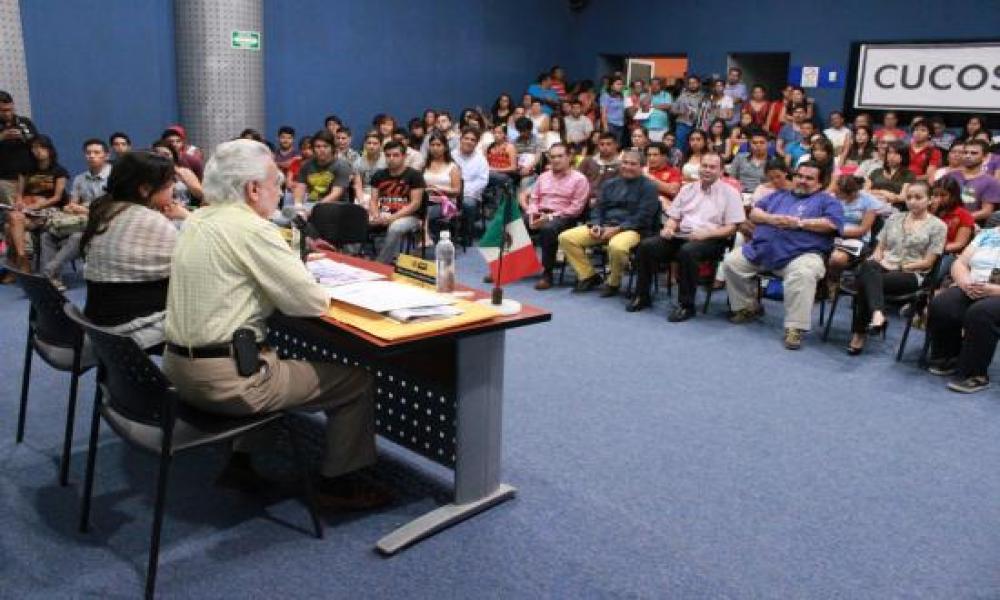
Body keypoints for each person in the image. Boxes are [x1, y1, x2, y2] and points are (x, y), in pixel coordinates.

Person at [161, 139, 389, 506]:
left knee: (265, 350)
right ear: (253, 189)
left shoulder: (197, 220)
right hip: (226, 383)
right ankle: (340, 483)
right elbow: (310, 301)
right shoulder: (253, 229)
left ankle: (242, 462)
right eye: (276, 184)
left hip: (176, 373)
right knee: (357, 381)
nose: (280, 191)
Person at [722, 161, 844, 350]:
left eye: (809, 178)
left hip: (801, 255)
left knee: (804, 274)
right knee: (732, 262)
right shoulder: (778, 196)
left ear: (820, 183)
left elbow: (832, 224)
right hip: (762, 251)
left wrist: (800, 223)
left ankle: (795, 328)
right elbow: (754, 213)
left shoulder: (827, 201)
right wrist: (771, 219)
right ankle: (748, 307)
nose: (802, 181)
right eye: (799, 176)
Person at [80, 151, 187, 348]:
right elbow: (192, 261)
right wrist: (188, 217)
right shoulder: (149, 220)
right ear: (145, 189)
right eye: (170, 183)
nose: (174, 188)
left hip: (98, 322)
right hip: (131, 328)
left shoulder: (107, 210)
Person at [630, 152, 743, 320]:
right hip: (682, 234)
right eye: (704, 166)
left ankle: (686, 305)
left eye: (712, 167)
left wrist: (707, 234)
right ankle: (642, 296)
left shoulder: (730, 193)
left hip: (711, 238)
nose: (707, 170)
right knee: (647, 246)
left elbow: (733, 227)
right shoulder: (687, 189)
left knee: (688, 252)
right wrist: (668, 227)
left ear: (721, 171)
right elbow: (675, 216)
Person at [846, 181, 945, 354]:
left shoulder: (938, 226)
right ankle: (877, 314)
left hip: (911, 272)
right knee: (869, 267)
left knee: (866, 282)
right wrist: (877, 257)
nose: (912, 201)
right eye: (909, 197)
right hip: (884, 266)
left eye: (918, 197)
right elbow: (880, 247)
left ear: (929, 200)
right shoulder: (894, 217)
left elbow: (928, 262)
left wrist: (898, 266)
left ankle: (859, 334)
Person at [558, 149, 658, 296]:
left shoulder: (649, 187)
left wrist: (618, 229)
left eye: (633, 164)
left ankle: (613, 282)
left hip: (633, 229)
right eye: (625, 163)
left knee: (617, 246)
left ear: (642, 167)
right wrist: (596, 224)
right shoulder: (610, 184)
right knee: (566, 237)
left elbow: (643, 217)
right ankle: (588, 276)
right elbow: (598, 208)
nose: (627, 167)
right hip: (605, 226)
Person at [926, 224, 1000, 392]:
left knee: (981, 313)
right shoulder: (988, 234)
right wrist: (965, 283)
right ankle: (950, 356)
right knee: (942, 304)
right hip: (973, 285)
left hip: (997, 293)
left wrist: (994, 290)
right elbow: (959, 263)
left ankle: (976, 374)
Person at [39, 139, 112, 289]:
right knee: (47, 235)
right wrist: (70, 208)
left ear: (106, 155)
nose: (91, 156)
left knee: (76, 237)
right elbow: (72, 204)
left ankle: (47, 272)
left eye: (96, 153)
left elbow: (114, 208)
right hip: (79, 222)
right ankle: (54, 279)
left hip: (104, 222)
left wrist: (85, 210)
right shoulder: (80, 178)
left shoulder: (114, 178)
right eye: (88, 153)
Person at [525, 143, 589, 290]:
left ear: (569, 157)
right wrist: (532, 215)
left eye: (560, 156)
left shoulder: (579, 179)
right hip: (540, 213)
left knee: (548, 229)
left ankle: (547, 274)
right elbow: (534, 199)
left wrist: (550, 217)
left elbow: (576, 209)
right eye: (552, 157)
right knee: (514, 223)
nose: (556, 160)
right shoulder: (543, 177)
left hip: (564, 217)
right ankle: (507, 266)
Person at [3, 135, 68, 280]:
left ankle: (17, 266)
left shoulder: (59, 171)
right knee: (14, 217)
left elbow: (57, 197)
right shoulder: (26, 170)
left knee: (9, 228)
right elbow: (19, 194)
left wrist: (38, 205)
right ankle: (22, 257)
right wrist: (20, 202)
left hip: (49, 209)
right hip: (26, 209)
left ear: (49, 149)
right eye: (34, 147)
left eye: (41, 147)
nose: (37, 151)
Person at [370, 141, 425, 264]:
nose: (391, 158)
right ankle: (356, 256)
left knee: (395, 227)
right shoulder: (379, 175)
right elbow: (373, 200)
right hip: (383, 213)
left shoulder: (415, 176)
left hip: (409, 216)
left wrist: (392, 218)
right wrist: (376, 215)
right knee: (358, 218)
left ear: (404, 156)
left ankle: (380, 263)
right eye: (388, 155)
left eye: (395, 155)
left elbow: (415, 204)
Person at [945, 140, 1000, 225]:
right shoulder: (950, 175)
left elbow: (986, 211)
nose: (968, 156)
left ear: (985, 157)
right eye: (965, 152)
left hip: (973, 225)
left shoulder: (991, 181)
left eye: (974, 153)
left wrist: (960, 219)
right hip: (946, 222)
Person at [0, 91, 37, 211]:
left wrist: (23, 137)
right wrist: (2, 137)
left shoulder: (24, 122)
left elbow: (39, 143)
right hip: (5, 179)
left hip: (30, 177)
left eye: (10, 109)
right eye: (3, 110)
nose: (8, 113)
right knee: (13, 213)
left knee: (32, 212)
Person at [294, 130, 352, 206]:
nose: (322, 150)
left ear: (332, 148)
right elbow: (300, 188)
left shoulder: (342, 166)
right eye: (318, 147)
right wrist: (298, 205)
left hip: (336, 206)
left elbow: (336, 193)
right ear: (313, 149)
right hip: (311, 204)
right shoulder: (306, 165)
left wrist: (316, 208)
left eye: (326, 146)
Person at [452, 128, 489, 239]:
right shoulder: (451, 155)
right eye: (466, 138)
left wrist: (464, 191)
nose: (469, 141)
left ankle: (466, 234)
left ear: (476, 143)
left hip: (470, 194)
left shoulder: (481, 159)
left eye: (472, 140)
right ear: (461, 139)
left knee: (468, 204)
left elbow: (482, 181)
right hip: (450, 192)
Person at [930, 176, 975, 262]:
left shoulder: (963, 215)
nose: (939, 199)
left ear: (953, 196)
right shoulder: (928, 210)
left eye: (943, 195)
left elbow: (959, 244)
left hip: (948, 254)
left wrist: (934, 250)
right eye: (936, 195)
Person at [151, 141, 204, 208]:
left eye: (166, 154)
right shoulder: (148, 174)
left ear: (173, 157)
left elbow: (200, 195)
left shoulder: (184, 172)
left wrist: (184, 178)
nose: (161, 158)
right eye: (157, 154)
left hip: (184, 210)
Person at [577, 132, 621, 208]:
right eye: (602, 144)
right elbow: (577, 181)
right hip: (584, 201)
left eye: (608, 144)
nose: (605, 147)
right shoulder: (588, 161)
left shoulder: (621, 165)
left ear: (616, 145)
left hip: (608, 203)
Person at [351, 132, 385, 209]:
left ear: (381, 145)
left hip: (383, 194)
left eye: (375, 143)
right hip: (365, 194)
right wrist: (361, 201)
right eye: (369, 143)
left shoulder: (386, 160)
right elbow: (358, 185)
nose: (371, 146)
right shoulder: (358, 162)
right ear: (365, 145)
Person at [643, 142, 682, 208]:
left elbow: (673, 190)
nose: (651, 158)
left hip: (662, 209)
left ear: (665, 156)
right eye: (649, 155)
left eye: (655, 155)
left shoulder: (673, 171)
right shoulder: (642, 170)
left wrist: (649, 177)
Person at [600, 75, 627, 144]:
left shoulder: (622, 96)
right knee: (610, 144)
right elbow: (603, 113)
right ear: (611, 85)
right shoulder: (606, 96)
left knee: (617, 145)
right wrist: (606, 128)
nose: (620, 86)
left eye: (621, 84)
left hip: (620, 125)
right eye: (618, 84)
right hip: (610, 124)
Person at [646, 77, 673, 142]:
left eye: (656, 84)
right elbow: (644, 105)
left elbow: (668, 106)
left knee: (661, 148)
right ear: (650, 86)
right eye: (652, 84)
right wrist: (650, 93)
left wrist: (652, 106)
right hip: (648, 128)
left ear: (660, 85)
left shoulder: (666, 95)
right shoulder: (645, 95)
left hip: (662, 128)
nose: (654, 86)